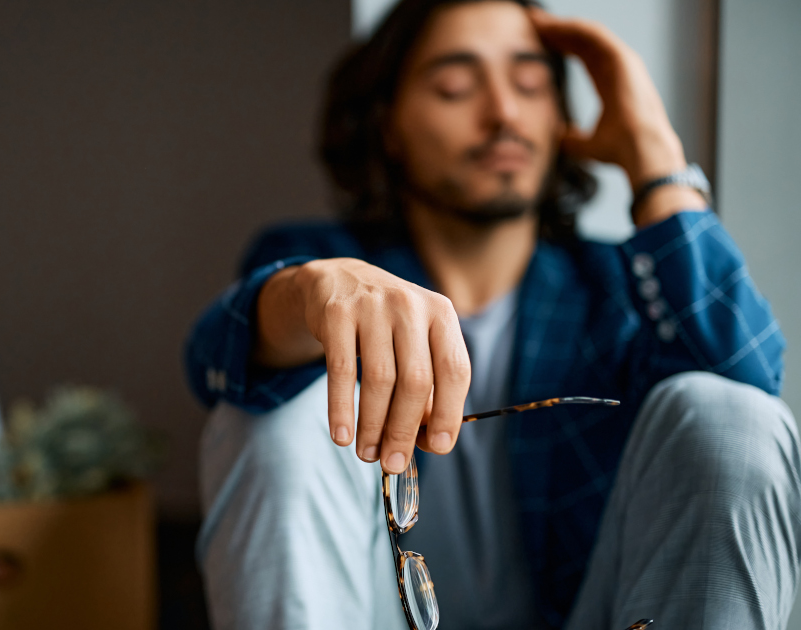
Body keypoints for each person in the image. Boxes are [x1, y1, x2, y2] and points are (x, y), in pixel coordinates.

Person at [183, 1, 800, 628]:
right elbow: (215, 360)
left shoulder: (623, 293)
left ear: (561, 120)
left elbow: (746, 400)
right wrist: (310, 290)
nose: (504, 114)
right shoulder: (314, 258)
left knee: (730, 410)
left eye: (531, 85)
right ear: (388, 124)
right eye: (455, 87)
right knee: (274, 405)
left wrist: (656, 162)